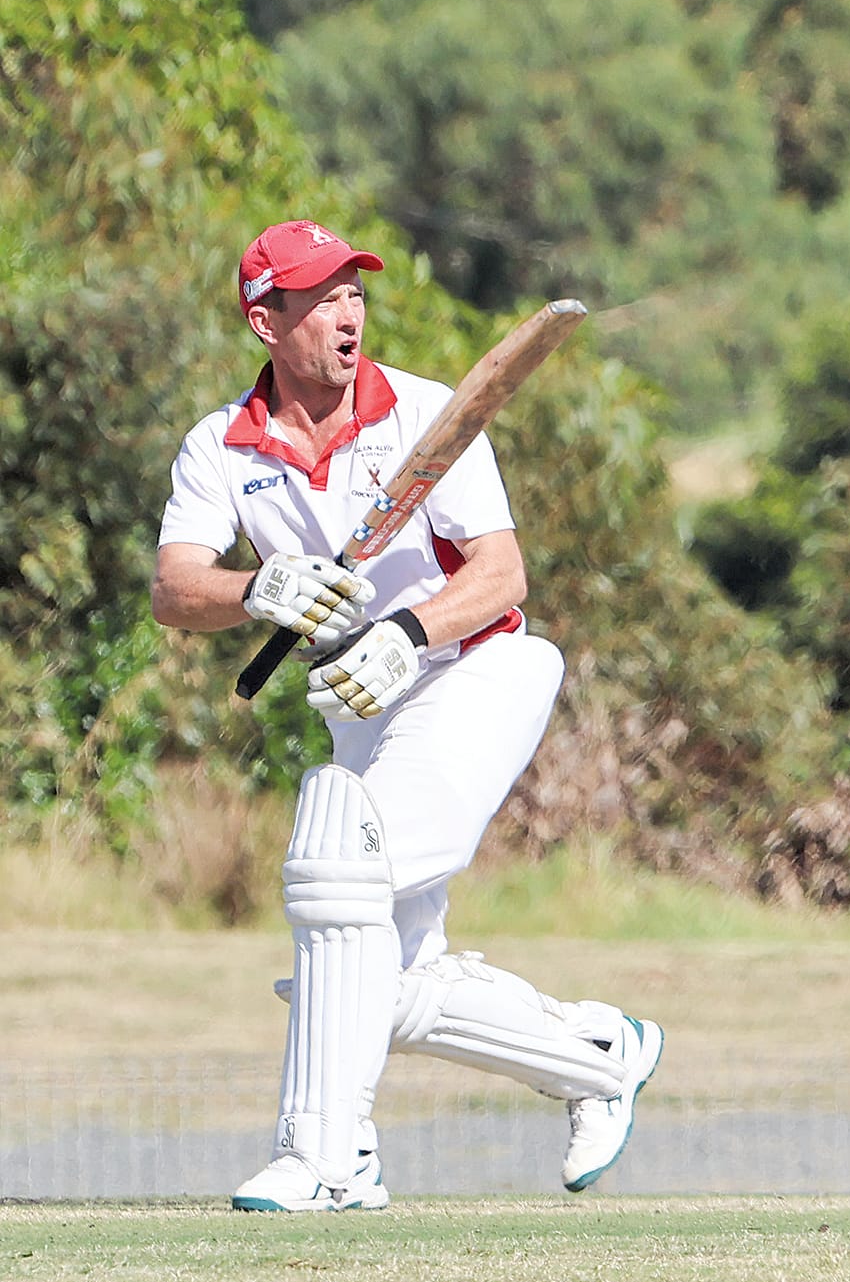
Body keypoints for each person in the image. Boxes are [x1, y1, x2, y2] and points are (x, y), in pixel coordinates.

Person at [152, 219, 663, 1212]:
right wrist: (255, 591)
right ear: (266, 318)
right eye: (321, 297)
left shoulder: (422, 412)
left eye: (354, 292)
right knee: (381, 974)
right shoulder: (222, 446)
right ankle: (599, 1056)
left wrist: (405, 634)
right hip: (362, 710)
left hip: (475, 671)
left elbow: (501, 572)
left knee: (337, 880)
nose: (349, 315)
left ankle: (329, 1156)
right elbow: (175, 591)